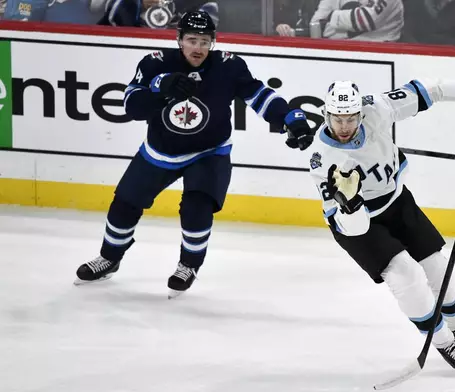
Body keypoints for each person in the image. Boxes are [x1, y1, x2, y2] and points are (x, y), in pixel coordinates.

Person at [74, 11, 315, 298]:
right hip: (160, 151)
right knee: (125, 203)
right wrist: (161, 89)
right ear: (178, 40)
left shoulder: (229, 66)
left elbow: (259, 95)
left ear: (213, 42)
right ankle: (110, 257)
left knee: (197, 207)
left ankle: (188, 265)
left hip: (209, 152)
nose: (198, 48)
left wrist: (291, 117)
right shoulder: (155, 64)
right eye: (191, 40)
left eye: (204, 41)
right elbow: (132, 106)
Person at [307, 76, 455, 372]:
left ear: (360, 113)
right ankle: (442, 340)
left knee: (437, 265)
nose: (344, 127)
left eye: (350, 118)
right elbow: (354, 229)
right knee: (405, 274)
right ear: (327, 115)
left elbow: (430, 91)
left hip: (397, 202)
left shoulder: (376, 107)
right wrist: (351, 205)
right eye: (337, 119)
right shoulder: (323, 161)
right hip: (356, 224)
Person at [276, 0, 404, 42]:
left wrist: (332, 17)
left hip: (382, 59)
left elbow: (365, 20)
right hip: (340, 57)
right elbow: (315, 27)